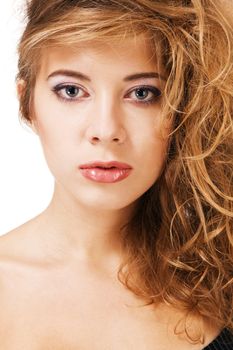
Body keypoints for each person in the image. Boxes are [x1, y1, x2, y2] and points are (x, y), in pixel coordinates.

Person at [0, 0, 232, 348]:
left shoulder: (218, 279)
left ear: (183, 108)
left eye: (142, 94)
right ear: (27, 104)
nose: (106, 130)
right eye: (72, 91)